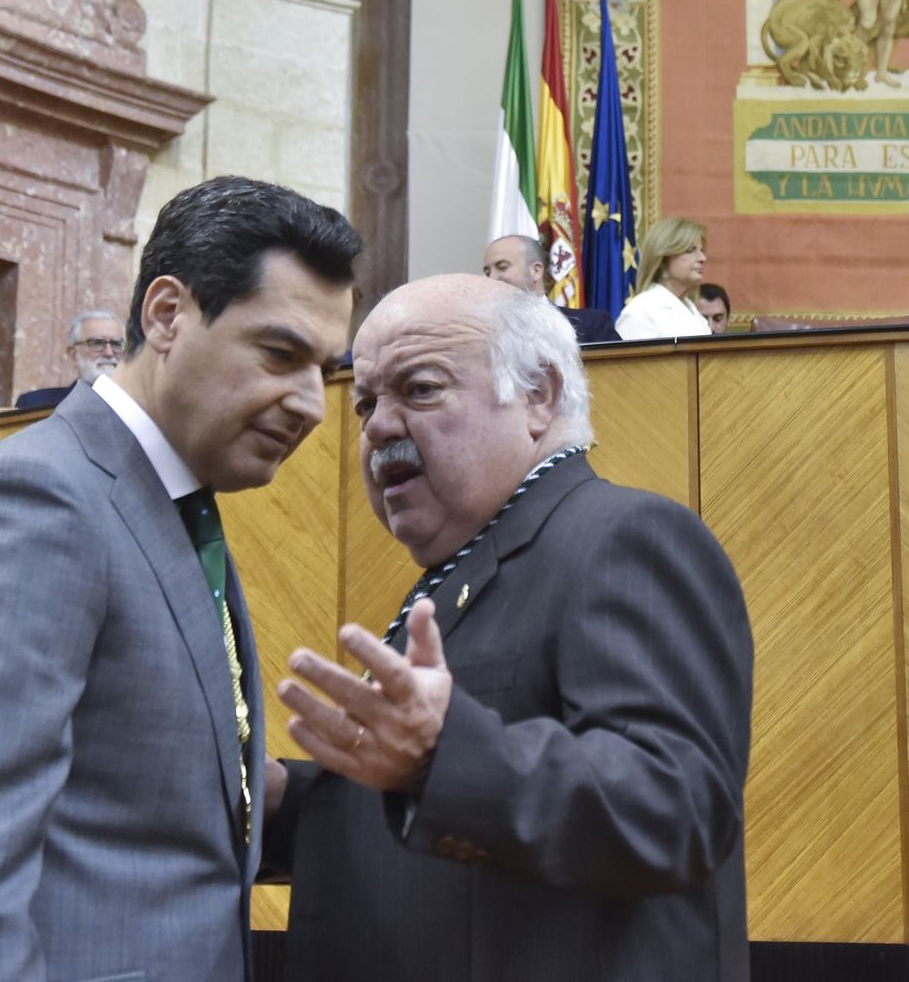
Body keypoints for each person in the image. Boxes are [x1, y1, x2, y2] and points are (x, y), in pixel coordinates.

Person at [0, 177, 361, 982]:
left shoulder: (165, 502)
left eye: (325, 369)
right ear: (167, 315)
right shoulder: (35, 504)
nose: (311, 404)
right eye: (281, 354)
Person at [265, 275, 754, 982]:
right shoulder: (473, 560)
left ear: (539, 395)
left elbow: (672, 806)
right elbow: (454, 794)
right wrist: (294, 803)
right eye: (367, 402)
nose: (375, 427)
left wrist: (439, 756)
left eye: (421, 389)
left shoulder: (624, 538)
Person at [481, 233, 622, 343]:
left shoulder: (591, 325)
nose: (491, 278)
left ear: (536, 271)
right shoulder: (481, 334)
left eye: (502, 267)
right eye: (487, 272)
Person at [614, 217, 714, 340]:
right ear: (663, 260)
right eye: (690, 250)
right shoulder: (641, 313)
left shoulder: (694, 312)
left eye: (702, 250)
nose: (702, 258)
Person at [13, 309, 126, 409]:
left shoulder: (139, 407)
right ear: (73, 354)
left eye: (116, 344)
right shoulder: (36, 404)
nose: (109, 353)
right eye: (96, 343)